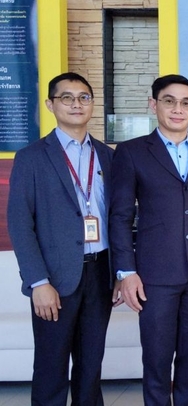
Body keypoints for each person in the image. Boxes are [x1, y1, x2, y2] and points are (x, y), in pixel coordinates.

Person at [109, 74, 188, 405]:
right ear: (154, 105)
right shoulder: (132, 152)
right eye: (169, 101)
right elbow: (120, 217)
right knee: (157, 361)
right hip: (154, 275)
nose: (178, 109)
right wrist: (126, 271)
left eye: (185, 103)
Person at [7, 72, 122, 405]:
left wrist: (119, 272)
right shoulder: (31, 157)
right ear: (50, 104)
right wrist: (38, 282)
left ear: (92, 104)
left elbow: (118, 218)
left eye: (84, 97)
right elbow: (20, 224)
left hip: (100, 272)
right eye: (66, 97)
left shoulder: (108, 156)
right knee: (51, 367)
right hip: (54, 278)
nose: (76, 104)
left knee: (91, 366)